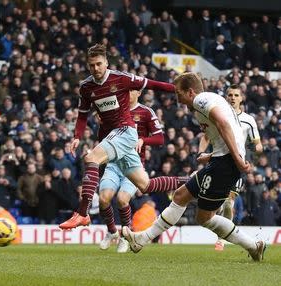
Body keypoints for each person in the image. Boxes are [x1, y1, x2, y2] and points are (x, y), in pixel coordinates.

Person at [122, 72, 266, 262]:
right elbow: (229, 129)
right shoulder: (209, 100)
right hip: (221, 160)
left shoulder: (201, 100)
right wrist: (212, 155)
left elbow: (224, 124)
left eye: (179, 93)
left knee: (204, 218)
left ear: (190, 92)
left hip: (226, 164)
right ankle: (141, 239)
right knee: (181, 195)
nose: (177, 98)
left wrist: (237, 158)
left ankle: (253, 246)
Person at [59, 43, 184, 230]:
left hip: (126, 131)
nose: (96, 68)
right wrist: (77, 135)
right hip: (114, 137)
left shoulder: (121, 78)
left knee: (91, 158)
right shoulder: (86, 87)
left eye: (99, 64)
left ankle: (82, 213)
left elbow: (152, 84)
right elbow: (83, 114)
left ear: (106, 63)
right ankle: (191, 181)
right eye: (91, 65)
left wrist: (177, 89)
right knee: (145, 185)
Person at [98, 89, 164, 253]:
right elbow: (104, 137)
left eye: (131, 91)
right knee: (103, 199)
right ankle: (112, 231)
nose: (126, 94)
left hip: (133, 166)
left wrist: (143, 139)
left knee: (122, 199)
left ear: (139, 93)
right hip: (113, 163)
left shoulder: (146, 112)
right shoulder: (115, 112)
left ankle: (125, 236)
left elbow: (160, 138)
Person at [208, 84, 263, 251]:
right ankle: (224, 233)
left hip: (236, 166)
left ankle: (221, 239)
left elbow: (257, 144)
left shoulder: (249, 120)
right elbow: (207, 135)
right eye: (230, 95)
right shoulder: (219, 116)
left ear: (241, 98)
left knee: (228, 203)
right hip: (218, 162)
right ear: (226, 97)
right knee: (216, 204)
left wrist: (254, 152)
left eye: (236, 95)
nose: (232, 98)